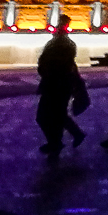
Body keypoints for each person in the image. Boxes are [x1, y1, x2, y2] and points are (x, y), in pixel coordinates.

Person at [36, 16, 87, 154]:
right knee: (57, 115)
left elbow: (52, 63)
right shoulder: (64, 43)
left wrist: (45, 72)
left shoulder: (60, 44)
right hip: (60, 83)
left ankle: (56, 142)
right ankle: (61, 140)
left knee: (45, 116)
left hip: (56, 83)